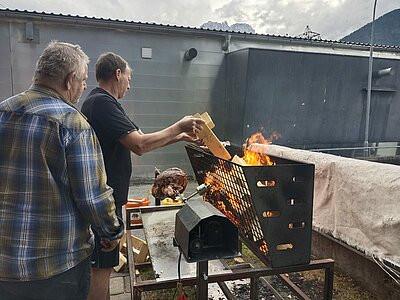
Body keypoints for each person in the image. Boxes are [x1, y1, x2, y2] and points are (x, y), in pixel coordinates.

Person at [0, 41, 124, 300]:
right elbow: (93, 197)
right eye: (83, 81)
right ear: (70, 81)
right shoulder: (72, 124)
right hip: (55, 268)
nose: (83, 88)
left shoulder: (3, 112)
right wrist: (111, 233)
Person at [81, 52, 204, 300]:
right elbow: (140, 146)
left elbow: (143, 139)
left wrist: (180, 137)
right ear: (118, 74)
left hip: (107, 197)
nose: (130, 83)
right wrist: (178, 126)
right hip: (104, 199)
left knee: (103, 264)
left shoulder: (107, 104)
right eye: (129, 77)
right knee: (102, 267)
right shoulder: (101, 103)